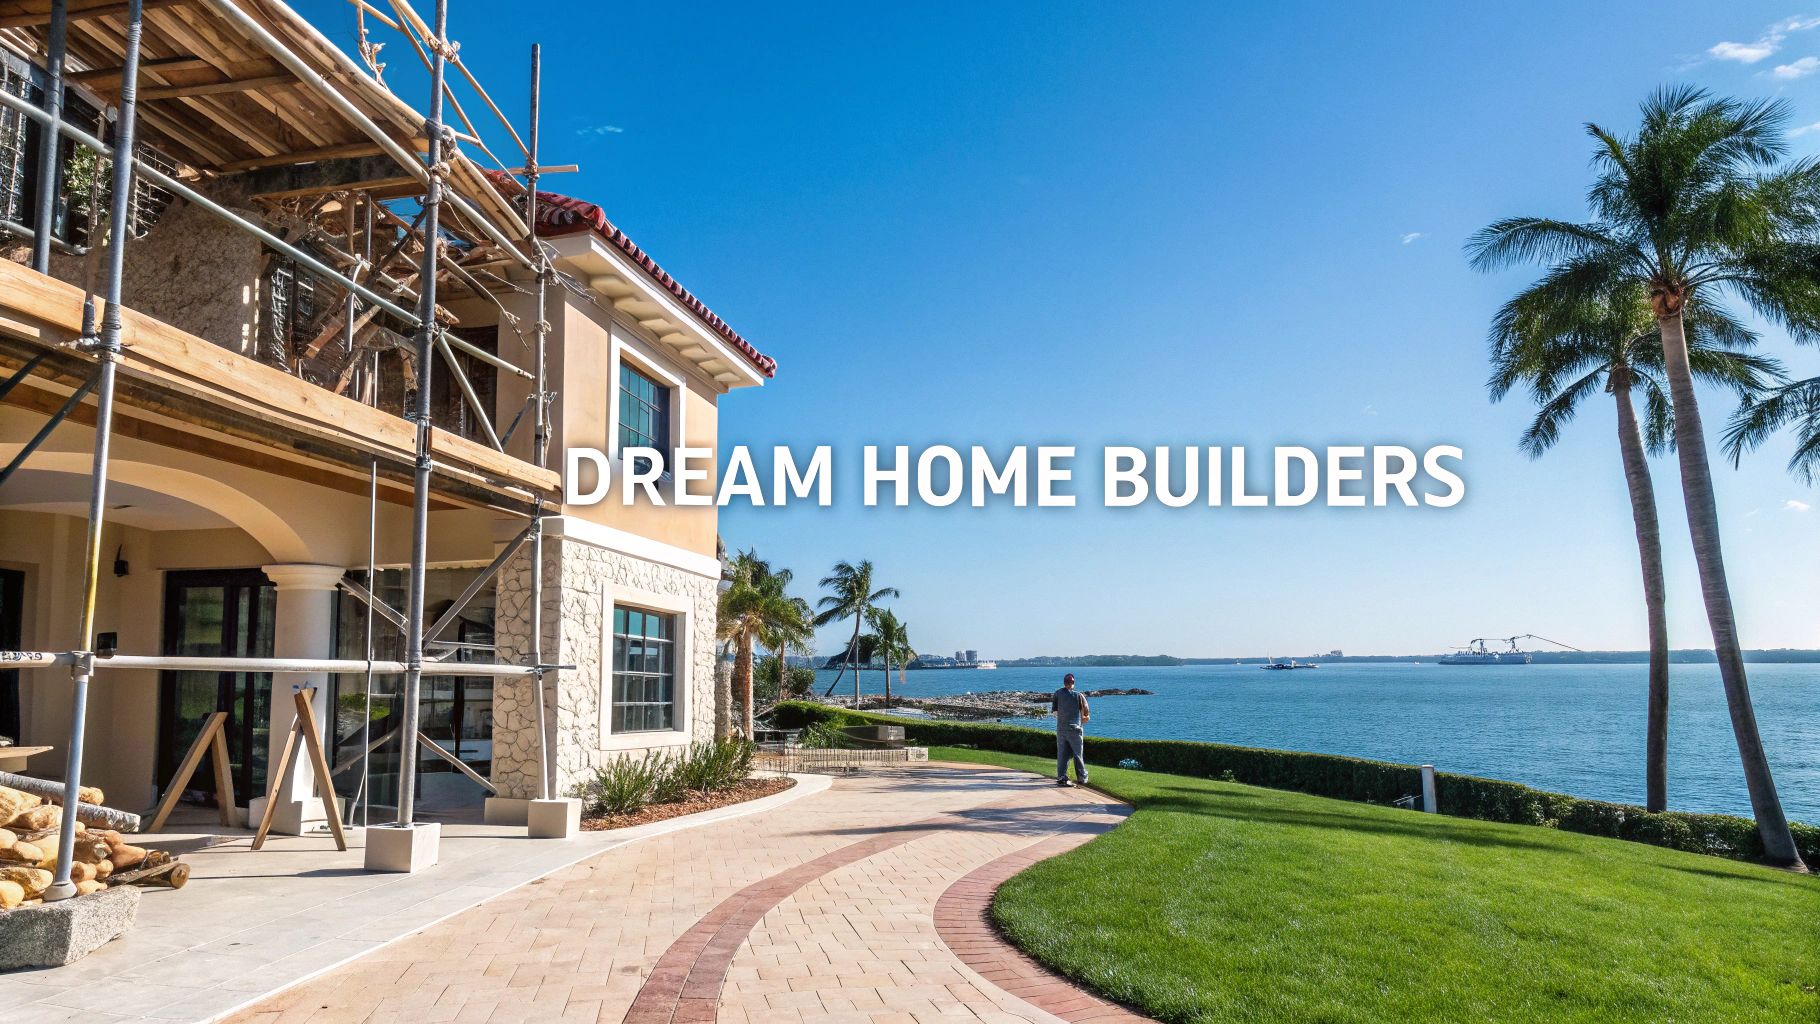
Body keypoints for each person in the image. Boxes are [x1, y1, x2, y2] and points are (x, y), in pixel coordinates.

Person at [1051, 673, 1090, 786]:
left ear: (1064, 682)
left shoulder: (1057, 693)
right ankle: (1082, 777)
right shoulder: (1079, 696)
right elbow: (1086, 714)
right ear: (1073, 683)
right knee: (1078, 754)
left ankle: (1062, 776)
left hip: (1061, 729)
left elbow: (1055, 712)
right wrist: (1082, 719)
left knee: (1063, 754)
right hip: (1074, 729)